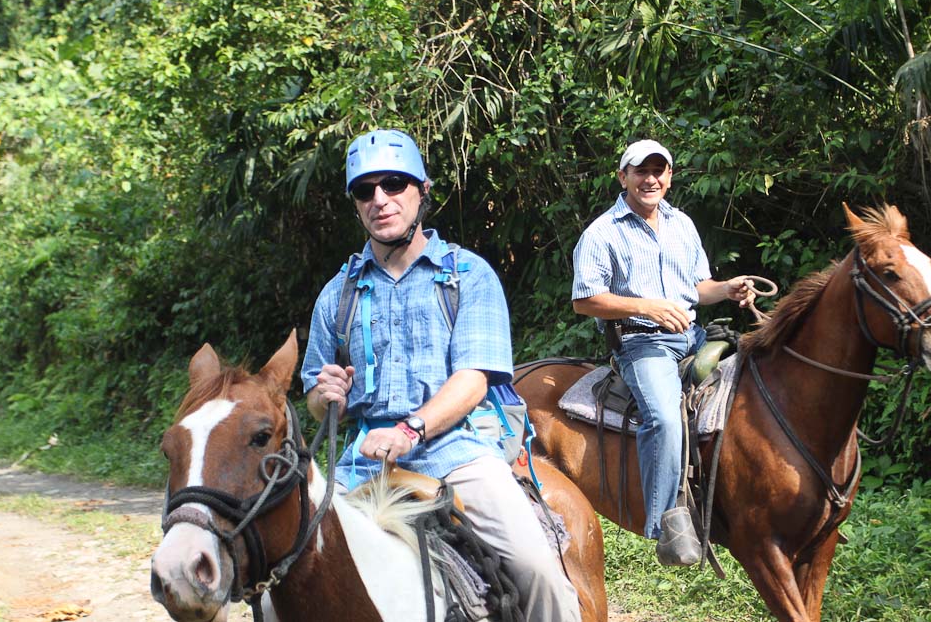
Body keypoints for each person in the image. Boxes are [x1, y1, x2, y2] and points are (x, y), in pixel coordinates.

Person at [302, 128, 581, 620]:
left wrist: (409, 430)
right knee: (292, 565)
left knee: (538, 569)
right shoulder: (337, 294)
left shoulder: (467, 276)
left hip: (458, 453)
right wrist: (328, 397)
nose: (380, 199)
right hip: (364, 462)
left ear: (422, 190)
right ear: (355, 204)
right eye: (365, 190)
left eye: (393, 184)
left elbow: (473, 380)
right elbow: (318, 398)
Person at [571, 138, 754, 565]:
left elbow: (696, 288)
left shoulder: (682, 225)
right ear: (623, 177)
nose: (650, 179)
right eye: (641, 171)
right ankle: (666, 521)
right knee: (666, 416)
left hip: (692, 337)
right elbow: (584, 300)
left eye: (659, 170)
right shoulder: (602, 233)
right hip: (640, 343)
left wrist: (725, 289)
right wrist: (645, 306)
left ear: (669, 177)